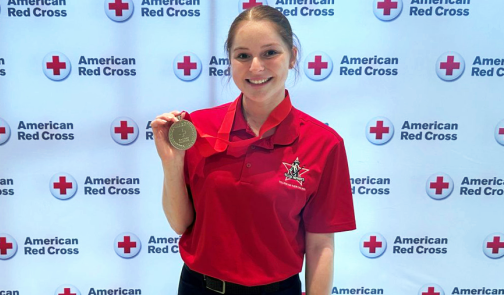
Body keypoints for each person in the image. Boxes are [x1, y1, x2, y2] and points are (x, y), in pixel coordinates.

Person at [151, 5, 356, 295]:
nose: (256, 67)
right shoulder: (197, 128)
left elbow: (320, 244)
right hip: (200, 287)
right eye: (243, 55)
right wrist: (171, 163)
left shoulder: (324, 143)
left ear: (292, 57)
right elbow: (179, 224)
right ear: (231, 61)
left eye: (270, 53)